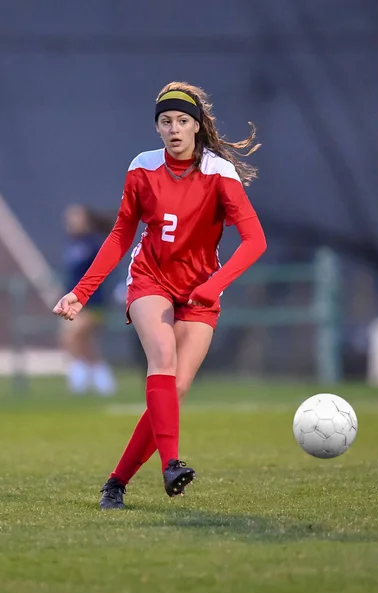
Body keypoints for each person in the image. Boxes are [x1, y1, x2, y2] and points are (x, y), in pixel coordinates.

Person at [53, 81, 267, 508]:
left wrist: (213, 285)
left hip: (200, 288)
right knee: (163, 361)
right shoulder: (142, 168)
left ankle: (115, 482)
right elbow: (119, 235)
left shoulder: (218, 174)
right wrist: (81, 292)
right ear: (157, 128)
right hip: (150, 278)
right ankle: (171, 462)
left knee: (177, 387)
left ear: (196, 127)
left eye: (182, 121)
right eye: (165, 121)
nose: (174, 129)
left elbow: (255, 241)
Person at [60, 204, 117, 396]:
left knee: (70, 335)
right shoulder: (73, 245)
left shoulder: (94, 244)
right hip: (75, 302)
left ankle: (79, 375)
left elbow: (103, 270)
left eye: (75, 218)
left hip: (94, 302)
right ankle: (103, 381)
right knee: (87, 344)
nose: (70, 222)